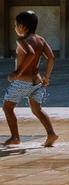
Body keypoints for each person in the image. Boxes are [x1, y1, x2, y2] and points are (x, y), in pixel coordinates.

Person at [3, 11, 58, 149]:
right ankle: (51, 134)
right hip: (37, 81)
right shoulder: (40, 39)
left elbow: (30, 54)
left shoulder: (22, 40)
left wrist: (17, 72)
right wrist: (47, 77)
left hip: (23, 81)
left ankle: (15, 137)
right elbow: (51, 58)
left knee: (7, 107)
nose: (15, 28)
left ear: (22, 27)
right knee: (36, 109)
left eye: (15, 25)